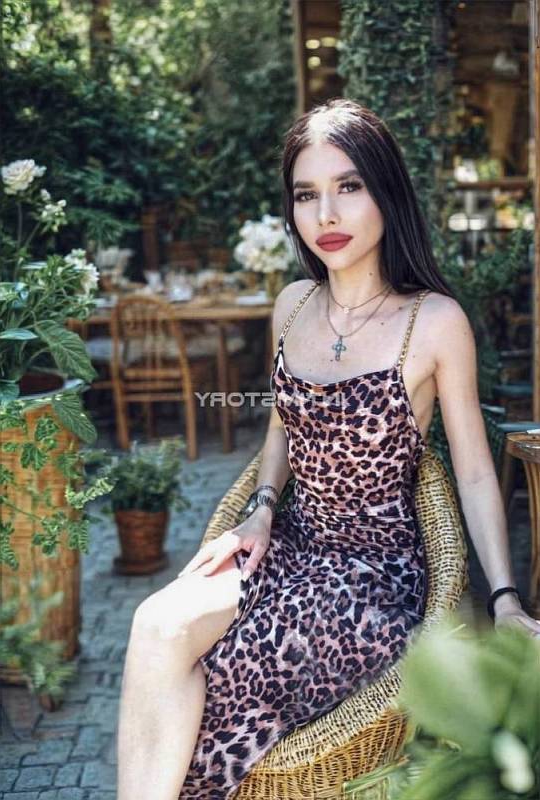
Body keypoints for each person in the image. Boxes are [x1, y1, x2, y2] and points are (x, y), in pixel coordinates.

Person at [116, 98, 540, 800]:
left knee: (212, 664)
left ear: (385, 192)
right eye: (306, 194)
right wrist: (261, 509)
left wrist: (504, 599)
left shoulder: (433, 322)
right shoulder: (291, 305)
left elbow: (471, 470)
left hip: (372, 579)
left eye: (348, 186)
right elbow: (281, 428)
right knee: (155, 625)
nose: (327, 215)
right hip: (290, 547)